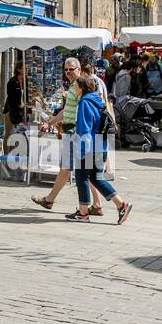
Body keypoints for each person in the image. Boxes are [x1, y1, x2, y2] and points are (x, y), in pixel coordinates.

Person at [32, 56, 103, 213]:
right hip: (72, 132)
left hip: (75, 133)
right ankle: (97, 204)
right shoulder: (74, 86)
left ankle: (50, 200)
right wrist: (50, 123)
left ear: (79, 69)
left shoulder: (80, 87)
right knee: (78, 169)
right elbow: (67, 111)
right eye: (66, 70)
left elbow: (84, 109)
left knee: (69, 168)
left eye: (72, 69)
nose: (69, 72)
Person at [65, 75, 133, 224]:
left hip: (89, 146)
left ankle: (83, 213)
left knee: (82, 177)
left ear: (81, 87)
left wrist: (82, 150)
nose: (73, 88)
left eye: (75, 85)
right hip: (100, 144)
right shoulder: (97, 100)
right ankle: (122, 205)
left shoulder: (84, 102)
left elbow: (85, 128)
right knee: (96, 178)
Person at [3, 62, 25, 140]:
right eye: (25, 68)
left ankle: (13, 152)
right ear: (19, 69)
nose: (27, 70)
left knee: (15, 135)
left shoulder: (25, 82)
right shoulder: (12, 81)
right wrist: (20, 104)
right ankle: (6, 152)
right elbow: (11, 97)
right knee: (8, 134)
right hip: (11, 111)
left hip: (20, 112)